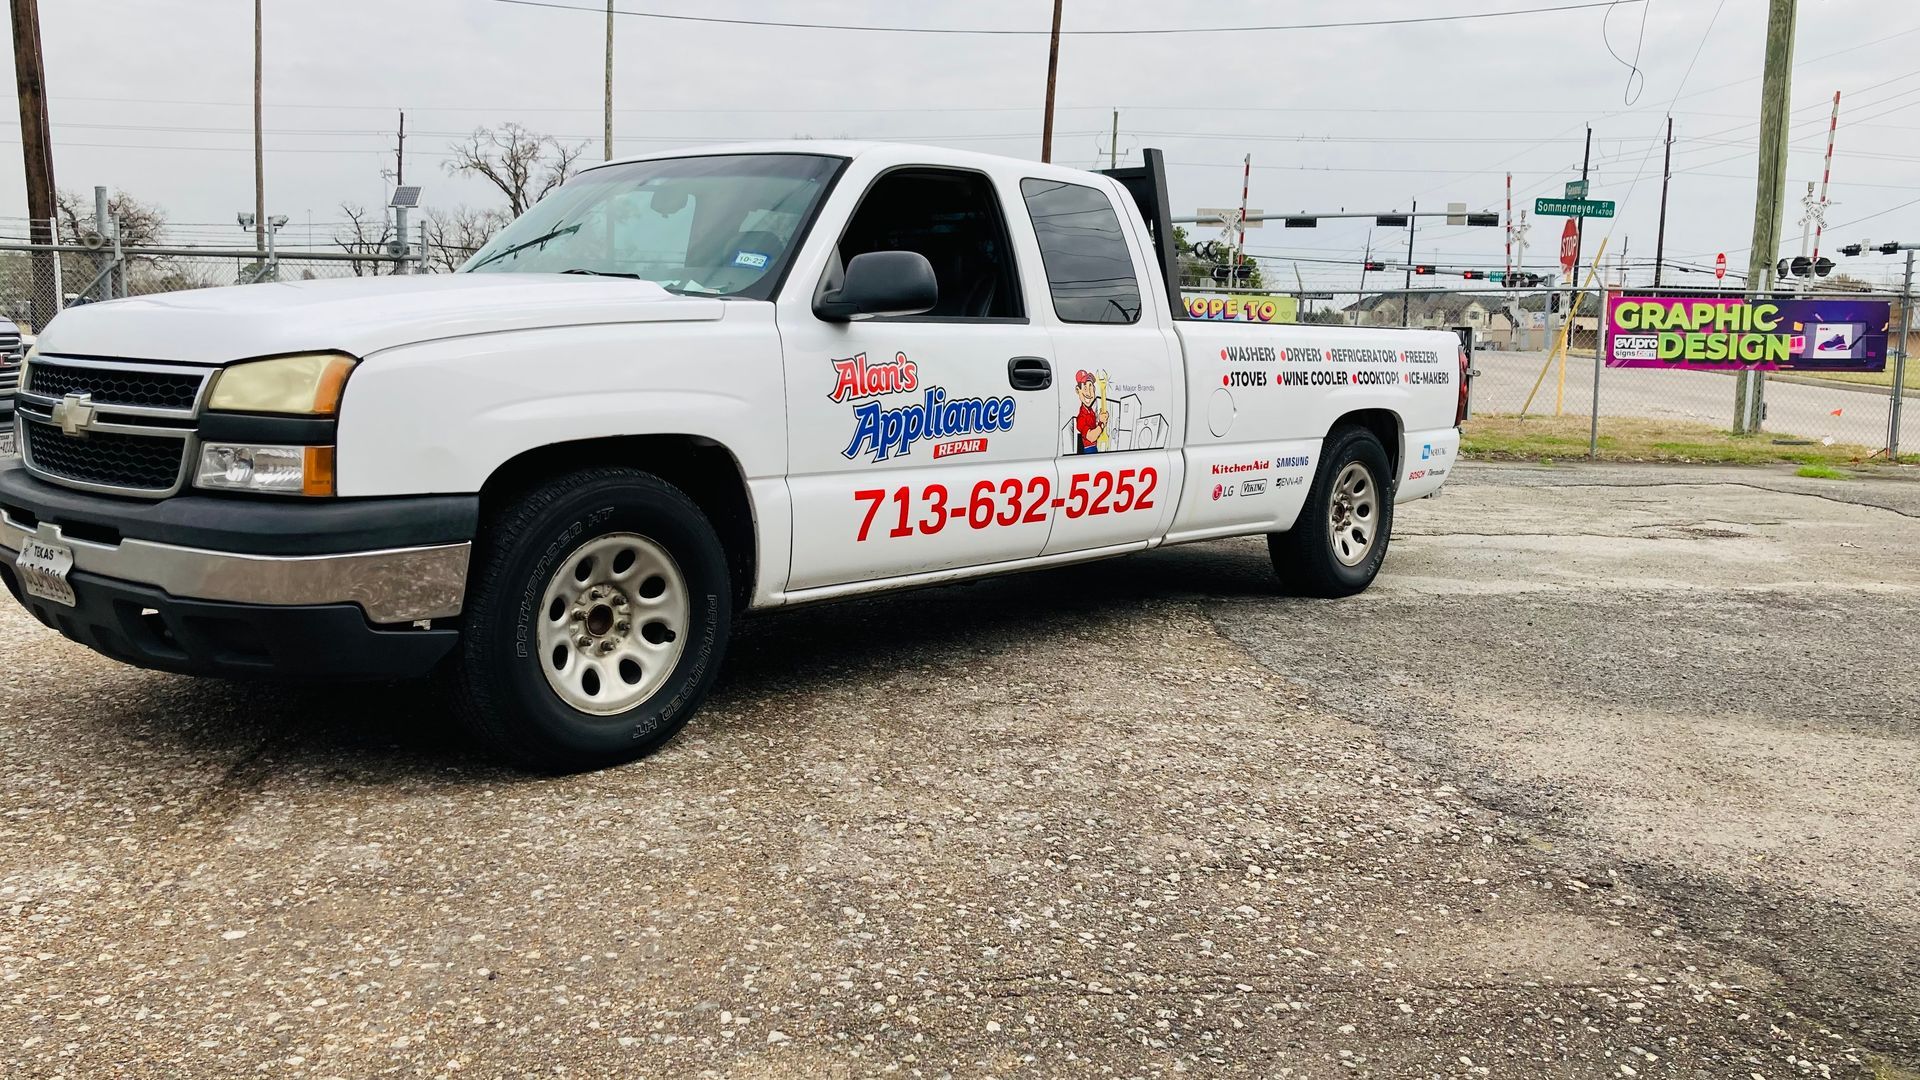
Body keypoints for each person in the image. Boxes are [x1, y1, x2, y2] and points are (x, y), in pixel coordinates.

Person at [1073, 369, 1108, 454]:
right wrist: (1102, 423)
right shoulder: (1081, 417)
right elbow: (1091, 437)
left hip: (1096, 446)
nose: (1089, 393)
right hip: (1089, 449)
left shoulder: (1091, 411)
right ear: (1078, 390)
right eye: (1085, 388)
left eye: (1091, 387)